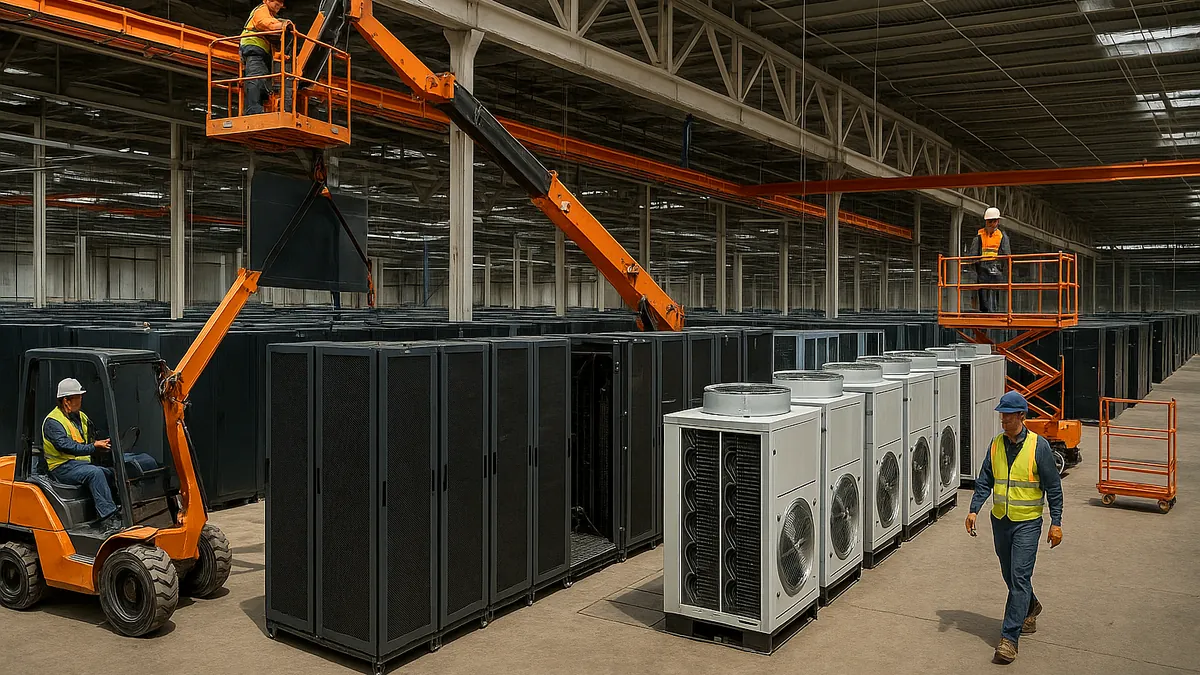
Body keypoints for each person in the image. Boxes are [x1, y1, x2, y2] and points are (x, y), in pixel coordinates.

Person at [965, 391, 1064, 664]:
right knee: (1010, 575)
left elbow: (1054, 488)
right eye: (1002, 415)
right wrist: (974, 509)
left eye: (1008, 415)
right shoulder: (996, 444)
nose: (1004, 420)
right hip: (1001, 520)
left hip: (1028, 523)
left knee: (1019, 577)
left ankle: (1009, 639)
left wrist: (1056, 523)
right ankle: (1030, 606)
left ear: (1021, 416)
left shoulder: (1038, 447)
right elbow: (985, 479)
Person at [43, 378, 121, 533]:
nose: (81, 401)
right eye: (78, 397)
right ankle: (108, 519)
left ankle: (117, 509)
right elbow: (66, 446)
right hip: (61, 468)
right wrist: (94, 447)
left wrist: (103, 444)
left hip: (79, 465)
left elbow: (91, 437)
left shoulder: (81, 417)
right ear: (66, 401)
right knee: (95, 473)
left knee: (110, 472)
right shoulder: (53, 422)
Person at [240, 0, 289, 115]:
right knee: (256, 77)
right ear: (267, 1)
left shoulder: (270, 14)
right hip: (253, 46)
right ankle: (253, 110)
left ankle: (258, 107)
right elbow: (264, 23)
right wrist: (282, 25)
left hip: (261, 49)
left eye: (281, 4)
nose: (279, 6)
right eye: (277, 3)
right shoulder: (262, 9)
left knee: (262, 79)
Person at [966, 207, 1011, 313]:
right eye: (989, 221)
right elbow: (973, 255)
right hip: (982, 268)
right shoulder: (979, 236)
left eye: (993, 221)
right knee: (983, 294)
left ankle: (993, 312)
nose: (991, 224)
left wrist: (1004, 270)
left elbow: (1007, 255)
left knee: (994, 294)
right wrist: (973, 269)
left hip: (996, 267)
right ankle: (985, 312)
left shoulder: (1002, 236)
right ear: (986, 221)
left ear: (997, 222)